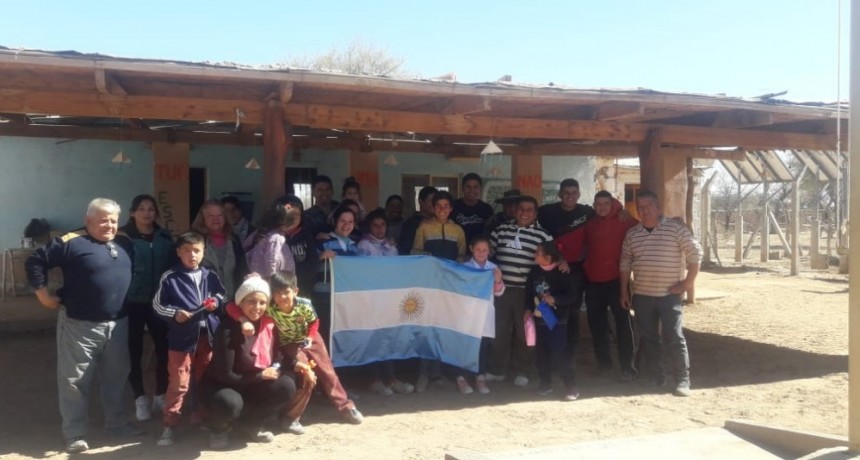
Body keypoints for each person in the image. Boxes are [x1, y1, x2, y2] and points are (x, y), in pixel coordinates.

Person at [25, 198, 140, 453]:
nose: (109, 225)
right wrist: (43, 295)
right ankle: (75, 433)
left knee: (117, 377)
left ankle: (116, 424)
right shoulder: (70, 241)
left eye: (113, 219)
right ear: (87, 220)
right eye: (102, 220)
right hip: (79, 325)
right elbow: (35, 262)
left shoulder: (123, 241)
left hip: (118, 323)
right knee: (74, 381)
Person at [230, 271, 364, 428]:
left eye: (286, 292)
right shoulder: (270, 307)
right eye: (277, 293)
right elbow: (231, 306)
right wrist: (243, 320)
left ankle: (346, 407)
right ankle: (291, 417)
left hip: (311, 339)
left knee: (328, 372)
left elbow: (314, 322)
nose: (282, 297)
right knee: (305, 374)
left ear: (295, 291)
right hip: (289, 344)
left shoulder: (304, 304)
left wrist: (310, 337)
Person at [200, 276, 299, 449]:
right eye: (251, 301)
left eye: (262, 302)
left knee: (286, 386)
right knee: (228, 402)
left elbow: (277, 356)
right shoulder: (228, 328)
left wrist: (294, 364)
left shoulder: (267, 325)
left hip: (251, 382)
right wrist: (261, 375)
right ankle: (219, 428)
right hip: (224, 385)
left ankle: (251, 424)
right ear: (241, 303)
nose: (257, 307)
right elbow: (225, 374)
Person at [620, 191, 702, 397]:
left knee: (674, 336)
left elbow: (695, 254)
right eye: (640, 207)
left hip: (669, 296)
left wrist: (687, 283)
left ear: (658, 207)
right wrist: (624, 291)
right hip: (642, 295)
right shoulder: (633, 234)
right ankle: (656, 377)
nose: (645, 210)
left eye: (649, 206)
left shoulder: (675, 229)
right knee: (648, 338)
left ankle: (683, 380)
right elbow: (625, 263)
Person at [152, 231, 227, 447]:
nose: (192, 255)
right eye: (186, 250)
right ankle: (170, 425)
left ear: (204, 252)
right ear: (178, 252)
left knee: (203, 379)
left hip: (207, 337)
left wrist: (216, 303)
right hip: (181, 340)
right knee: (179, 382)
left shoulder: (209, 274)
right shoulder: (170, 277)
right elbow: (158, 305)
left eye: (196, 250)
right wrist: (175, 313)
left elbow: (223, 295)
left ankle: (200, 416)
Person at [488, 196, 554, 387]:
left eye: (529, 210)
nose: (525, 213)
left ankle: (523, 370)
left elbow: (552, 261)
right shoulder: (501, 230)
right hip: (502, 291)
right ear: (515, 211)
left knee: (525, 333)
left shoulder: (543, 236)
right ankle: (497, 370)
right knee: (499, 331)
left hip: (528, 292)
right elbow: (487, 252)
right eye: (521, 209)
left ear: (535, 213)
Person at [121, 194, 176, 422]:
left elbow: (173, 267)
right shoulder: (123, 238)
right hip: (132, 302)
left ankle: (160, 394)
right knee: (133, 351)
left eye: (151, 209)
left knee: (164, 350)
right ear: (132, 213)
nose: (147, 213)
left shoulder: (164, 237)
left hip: (159, 303)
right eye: (141, 209)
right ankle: (140, 398)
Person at [412, 190, 467, 392]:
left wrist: (461, 261)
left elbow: (462, 256)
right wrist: (425, 257)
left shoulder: (458, 231)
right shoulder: (423, 228)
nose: (442, 210)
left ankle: (441, 373)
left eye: (446, 206)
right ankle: (424, 374)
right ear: (432, 208)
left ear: (451, 208)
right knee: (427, 328)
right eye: (438, 206)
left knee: (446, 328)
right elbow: (414, 252)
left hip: (449, 287)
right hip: (429, 285)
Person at [358, 210, 414, 396]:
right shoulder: (363, 245)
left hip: (389, 300)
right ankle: (374, 380)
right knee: (373, 339)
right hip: (371, 300)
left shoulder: (392, 247)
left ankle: (391, 379)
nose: (379, 229)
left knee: (387, 339)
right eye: (375, 225)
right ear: (369, 227)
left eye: (383, 225)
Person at [584, 191, 638, 379]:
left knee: (623, 324)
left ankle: (627, 366)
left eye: (606, 203)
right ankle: (604, 364)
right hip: (593, 283)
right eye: (598, 203)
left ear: (613, 203)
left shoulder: (626, 221)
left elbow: (647, 228)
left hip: (618, 282)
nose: (602, 207)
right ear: (594, 205)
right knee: (597, 326)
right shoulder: (590, 224)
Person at [537, 179, 593, 351]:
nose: (570, 196)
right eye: (566, 193)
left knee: (573, 310)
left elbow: (610, 211)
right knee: (549, 306)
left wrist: (623, 213)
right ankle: (550, 349)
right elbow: (526, 215)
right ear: (560, 194)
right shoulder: (546, 212)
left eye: (574, 193)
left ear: (579, 195)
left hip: (576, 269)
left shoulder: (587, 212)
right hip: (552, 268)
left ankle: (569, 352)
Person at [526, 242, 579, 401]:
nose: (534, 256)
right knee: (541, 352)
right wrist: (527, 309)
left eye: (537, 253)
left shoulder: (562, 272)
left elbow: (572, 295)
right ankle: (545, 383)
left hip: (558, 319)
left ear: (548, 258)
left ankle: (570, 385)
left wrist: (555, 299)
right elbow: (528, 292)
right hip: (539, 319)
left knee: (558, 351)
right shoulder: (534, 271)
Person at [460, 235, 505, 395]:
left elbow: (499, 293)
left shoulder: (493, 268)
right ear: (471, 249)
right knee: (465, 347)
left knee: (482, 347)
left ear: (489, 252)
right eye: (478, 249)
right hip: (467, 314)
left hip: (485, 314)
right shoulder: (464, 268)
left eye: (485, 250)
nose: (481, 252)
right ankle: (462, 378)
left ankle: (480, 378)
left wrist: (498, 280)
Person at [313, 207, 362, 344]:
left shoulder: (355, 247)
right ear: (335, 221)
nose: (346, 225)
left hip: (345, 298)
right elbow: (307, 267)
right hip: (324, 297)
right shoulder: (322, 242)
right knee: (324, 333)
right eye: (342, 221)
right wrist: (320, 257)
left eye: (350, 222)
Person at [192, 199, 248, 298]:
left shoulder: (234, 241)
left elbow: (242, 271)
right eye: (210, 216)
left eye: (220, 216)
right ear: (202, 219)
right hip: (203, 302)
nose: (216, 220)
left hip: (231, 301)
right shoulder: (194, 241)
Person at [243, 201, 300, 279]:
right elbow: (271, 258)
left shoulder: (262, 232)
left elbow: (245, 244)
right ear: (283, 224)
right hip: (272, 279)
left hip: (258, 274)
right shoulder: (276, 238)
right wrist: (272, 278)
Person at [274, 195, 317, 295]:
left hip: (303, 288)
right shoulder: (272, 237)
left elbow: (312, 262)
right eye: (289, 214)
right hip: (278, 290)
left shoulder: (306, 235)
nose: (292, 218)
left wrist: (296, 277)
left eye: (297, 214)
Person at [452, 173, 494, 245]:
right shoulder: (453, 206)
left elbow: (491, 233)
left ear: (480, 189)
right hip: (457, 250)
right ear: (462, 188)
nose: (472, 190)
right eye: (468, 187)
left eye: (475, 187)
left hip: (480, 252)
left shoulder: (487, 209)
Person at [398, 186, 437, 255]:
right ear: (421, 202)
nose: (435, 204)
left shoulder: (442, 222)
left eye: (436, 201)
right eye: (432, 201)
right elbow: (405, 250)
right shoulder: (410, 225)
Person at [303, 175, 339, 240]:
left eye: (327, 189)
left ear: (332, 191)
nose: (324, 193)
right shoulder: (307, 216)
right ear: (313, 192)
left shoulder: (341, 209)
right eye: (320, 190)